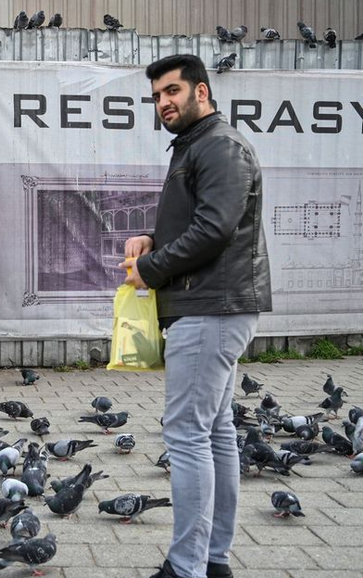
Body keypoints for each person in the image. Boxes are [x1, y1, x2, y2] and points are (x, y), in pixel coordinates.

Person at [120, 54, 271, 578]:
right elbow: (199, 221)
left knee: (186, 434)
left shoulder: (219, 146)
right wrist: (152, 239)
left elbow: (215, 231)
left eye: (172, 91)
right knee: (215, 433)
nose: (164, 102)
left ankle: (187, 568)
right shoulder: (195, 146)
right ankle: (212, 560)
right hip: (213, 303)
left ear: (201, 92)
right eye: (158, 95)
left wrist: (152, 269)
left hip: (211, 306)